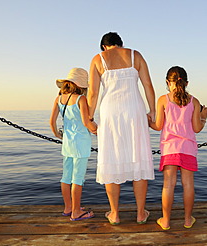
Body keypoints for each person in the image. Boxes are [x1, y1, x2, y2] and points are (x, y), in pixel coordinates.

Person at [87, 32, 155, 225]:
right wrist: (153, 111)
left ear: (103, 47)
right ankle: (141, 213)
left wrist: (90, 118)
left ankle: (115, 213)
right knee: (138, 159)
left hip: (111, 112)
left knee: (112, 158)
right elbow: (148, 85)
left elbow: (93, 93)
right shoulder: (135, 55)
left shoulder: (98, 59)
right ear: (120, 44)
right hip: (134, 110)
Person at [148, 66, 207, 230]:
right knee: (188, 184)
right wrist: (203, 118)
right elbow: (196, 128)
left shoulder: (163, 100)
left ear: (168, 82)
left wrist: (148, 121)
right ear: (187, 82)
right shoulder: (194, 101)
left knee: (168, 185)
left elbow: (158, 125)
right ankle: (188, 220)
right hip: (187, 148)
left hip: (169, 149)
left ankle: (166, 221)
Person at [49, 68, 97, 221]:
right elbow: (86, 122)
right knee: (78, 178)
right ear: (80, 84)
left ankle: (68, 207)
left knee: (66, 177)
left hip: (67, 143)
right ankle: (76, 212)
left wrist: (58, 134)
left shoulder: (59, 98)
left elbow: (51, 121)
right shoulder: (80, 99)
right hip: (81, 144)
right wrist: (97, 130)